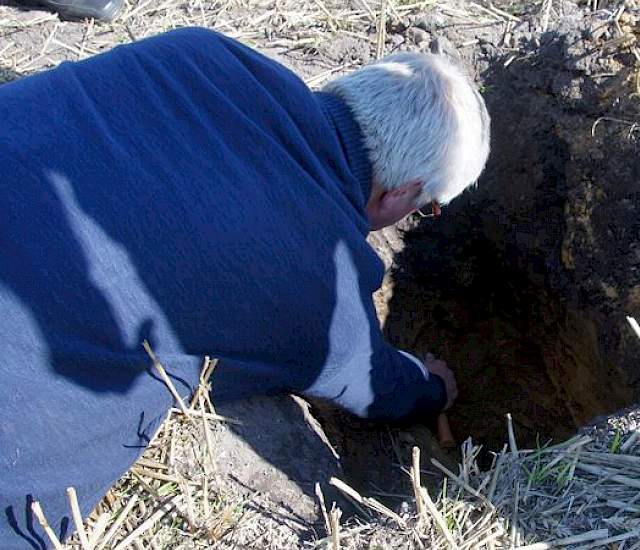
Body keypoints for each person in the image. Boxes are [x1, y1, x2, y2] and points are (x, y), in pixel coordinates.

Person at [0, 27, 489, 548]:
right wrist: (432, 385)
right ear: (405, 194)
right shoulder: (317, 285)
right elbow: (376, 384)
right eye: (428, 206)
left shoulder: (196, 52)